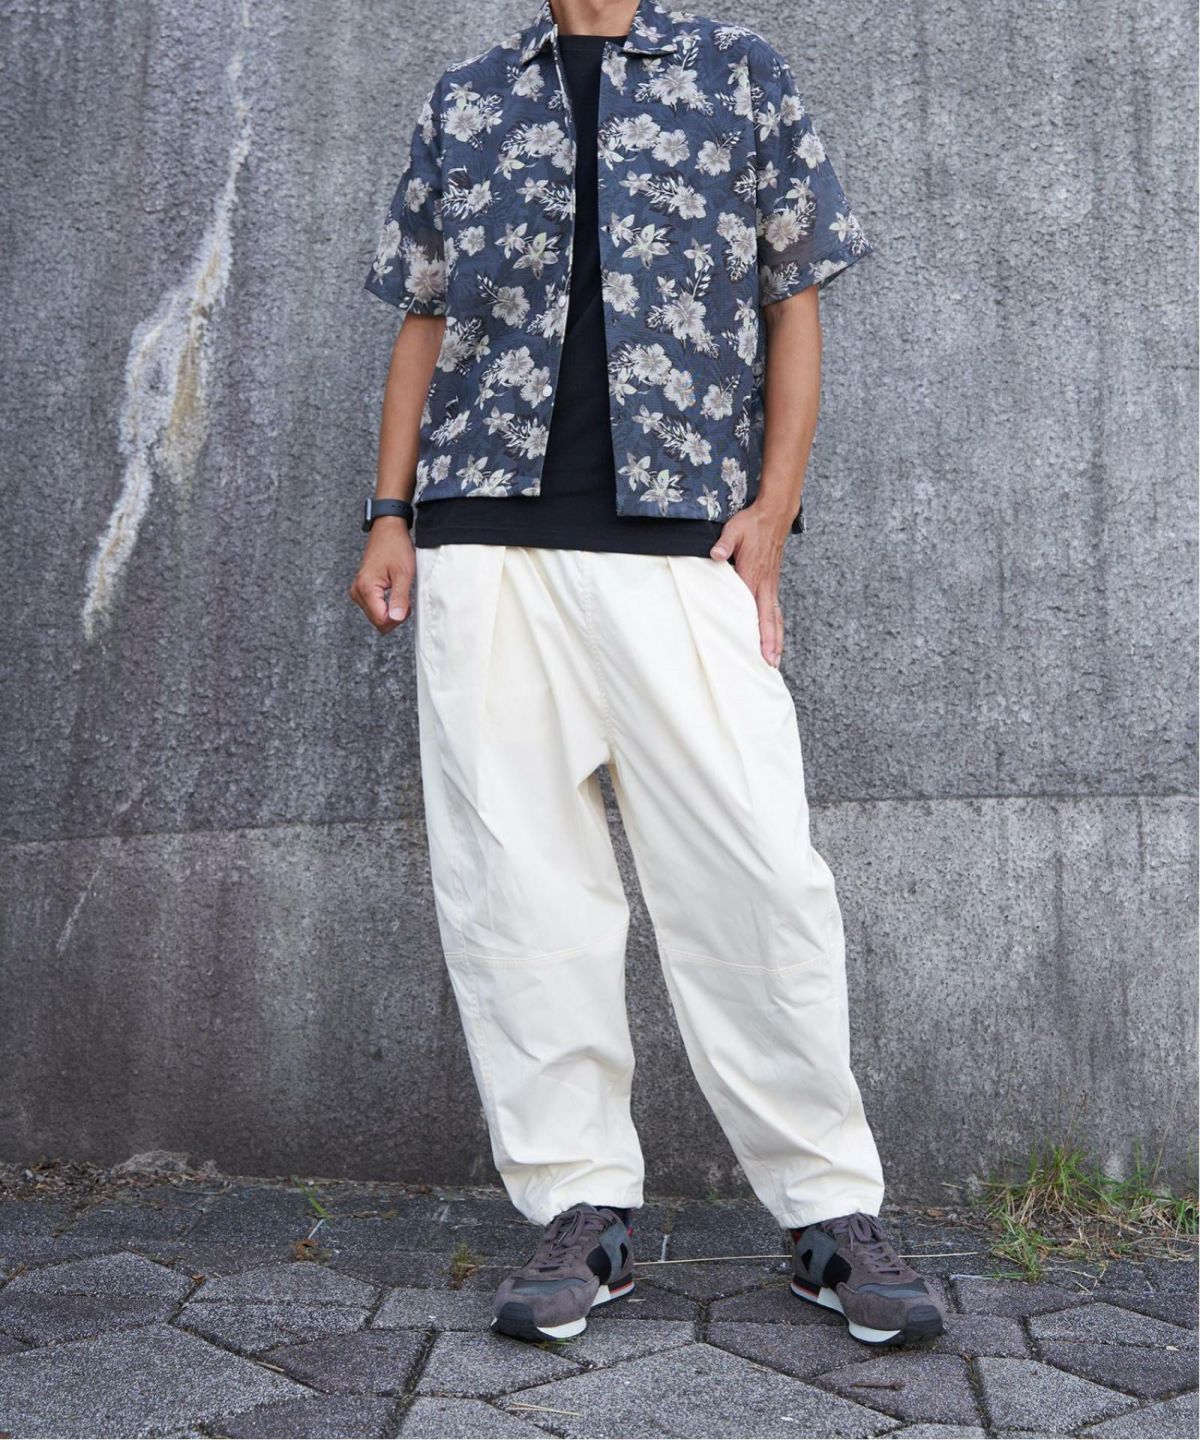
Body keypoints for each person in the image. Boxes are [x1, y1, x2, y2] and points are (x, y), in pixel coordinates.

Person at [351, 0, 945, 1349]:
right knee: (517, 887)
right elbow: (424, 321)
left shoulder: (739, 75)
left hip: (682, 540)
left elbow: (793, 301)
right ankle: (583, 1210)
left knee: (758, 872)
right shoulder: (468, 97)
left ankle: (830, 1211)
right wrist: (388, 514)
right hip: (484, 539)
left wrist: (773, 515)